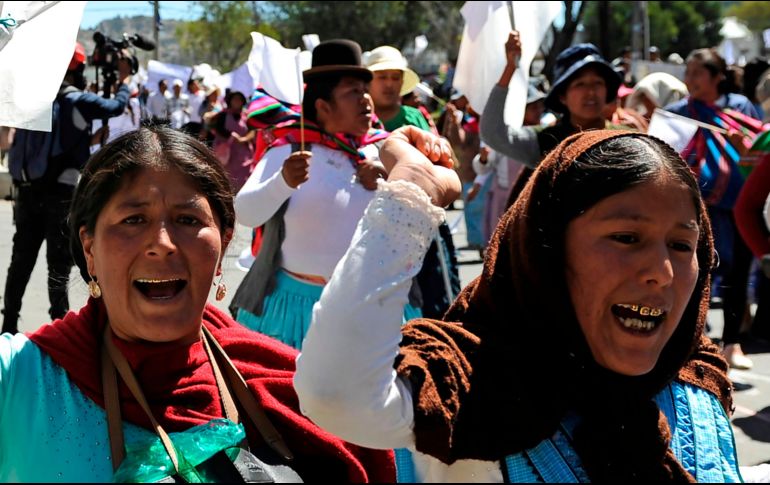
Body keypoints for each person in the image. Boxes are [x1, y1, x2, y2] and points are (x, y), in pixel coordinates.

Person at [295, 127, 744, 482]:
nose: (662, 272)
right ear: (545, 252)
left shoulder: (695, 378)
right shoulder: (469, 385)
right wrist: (413, 193)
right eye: (627, 238)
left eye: (682, 245)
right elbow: (336, 394)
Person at [0, 125, 394, 482]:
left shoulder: (287, 383)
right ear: (89, 248)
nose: (162, 244)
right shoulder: (20, 378)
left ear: (223, 243)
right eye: (133, 220)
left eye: (188, 220)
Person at [230, 39, 407, 350]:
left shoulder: (379, 149)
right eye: (352, 92)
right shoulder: (289, 148)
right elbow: (244, 212)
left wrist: (387, 181)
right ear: (323, 106)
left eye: (365, 90)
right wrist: (283, 181)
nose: (366, 99)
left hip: (367, 305)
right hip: (294, 312)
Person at [1, 43, 131, 335]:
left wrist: (87, 140)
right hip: (60, 195)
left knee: (20, 262)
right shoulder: (76, 100)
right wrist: (124, 80)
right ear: (77, 68)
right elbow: (116, 107)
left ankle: (8, 325)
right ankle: (60, 330)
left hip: (27, 193)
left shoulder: (35, 99)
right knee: (58, 266)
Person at [665, 48, 761, 370]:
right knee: (698, 267)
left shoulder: (740, 108)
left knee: (737, 271)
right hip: (697, 204)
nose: (689, 79)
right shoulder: (679, 112)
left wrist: (743, 147)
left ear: (717, 77)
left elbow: (757, 150)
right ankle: (693, 338)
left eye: (697, 72)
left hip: (741, 202)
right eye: (687, 72)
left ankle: (732, 343)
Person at [366, 44, 460, 319]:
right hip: (376, 222)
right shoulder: (359, 120)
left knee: (435, 296)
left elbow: (442, 161)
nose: (389, 84)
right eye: (382, 77)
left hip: (422, 222)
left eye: (395, 77)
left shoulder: (415, 118)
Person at [210, 90, 254, 192]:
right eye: (235, 99)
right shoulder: (222, 115)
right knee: (226, 182)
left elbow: (253, 131)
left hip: (243, 156)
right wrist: (231, 136)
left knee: (243, 182)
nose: (237, 101)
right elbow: (217, 129)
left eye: (239, 99)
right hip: (226, 156)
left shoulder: (247, 116)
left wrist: (243, 139)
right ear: (230, 101)